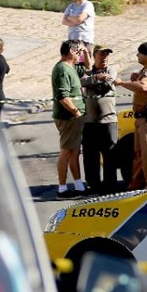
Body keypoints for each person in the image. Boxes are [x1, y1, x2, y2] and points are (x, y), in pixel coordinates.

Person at [110, 43, 147, 190]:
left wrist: (121, 83)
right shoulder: (145, 70)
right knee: (140, 156)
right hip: (142, 119)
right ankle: (138, 184)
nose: (137, 56)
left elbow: (144, 86)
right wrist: (136, 78)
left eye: (140, 53)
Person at [79, 46, 119, 194]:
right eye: (102, 54)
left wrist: (93, 82)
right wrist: (95, 78)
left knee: (110, 154)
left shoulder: (112, 71)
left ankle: (110, 185)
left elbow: (106, 86)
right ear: (94, 55)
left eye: (107, 54)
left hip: (108, 120)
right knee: (90, 155)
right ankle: (93, 184)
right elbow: (81, 82)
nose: (105, 57)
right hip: (90, 121)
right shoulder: (88, 73)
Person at [52, 39, 88, 198]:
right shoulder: (62, 69)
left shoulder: (72, 67)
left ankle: (79, 185)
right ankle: (62, 188)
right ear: (71, 52)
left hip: (75, 117)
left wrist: (86, 51)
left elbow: (88, 66)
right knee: (66, 151)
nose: (80, 55)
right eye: (78, 52)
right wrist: (75, 112)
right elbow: (62, 96)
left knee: (75, 151)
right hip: (68, 117)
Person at [62, 0, 96, 69]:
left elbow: (80, 19)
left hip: (84, 39)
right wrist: (75, 20)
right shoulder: (71, 6)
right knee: (73, 63)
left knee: (85, 64)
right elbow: (64, 21)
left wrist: (71, 18)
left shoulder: (88, 5)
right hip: (73, 39)